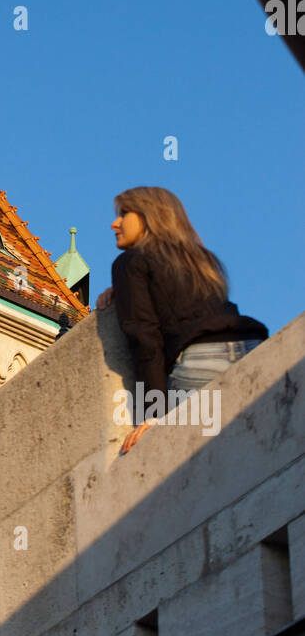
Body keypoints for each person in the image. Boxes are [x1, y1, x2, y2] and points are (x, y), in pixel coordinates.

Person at [94, 187, 268, 453]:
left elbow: (144, 337)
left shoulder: (130, 263)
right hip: (250, 346)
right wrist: (123, 290)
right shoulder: (202, 260)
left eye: (124, 213)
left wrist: (153, 413)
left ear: (148, 216)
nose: (114, 223)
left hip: (200, 360)